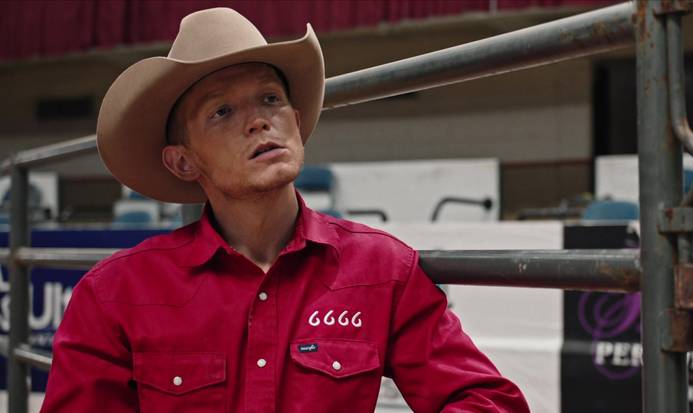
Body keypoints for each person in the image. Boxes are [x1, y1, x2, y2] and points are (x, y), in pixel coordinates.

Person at [41, 7, 529, 413]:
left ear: (295, 123)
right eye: (222, 112)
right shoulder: (114, 296)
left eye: (270, 99)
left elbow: (484, 399)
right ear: (183, 161)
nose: (258, 120)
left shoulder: (382, 269)